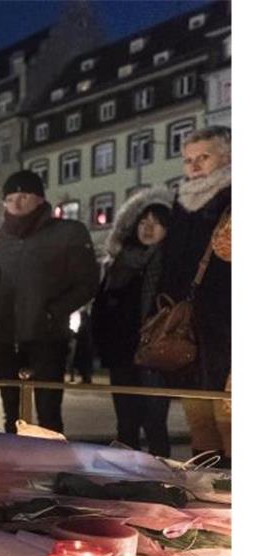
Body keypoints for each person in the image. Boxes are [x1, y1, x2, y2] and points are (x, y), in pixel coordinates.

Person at [0, 169, 98, 433]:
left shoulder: (67, 233)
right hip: (6, 337)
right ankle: (13, 468)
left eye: (24, 196)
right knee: (12, 414)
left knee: (49, 412)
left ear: (39, 199)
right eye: (10, 198)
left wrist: (53, 312)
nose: (16, 203)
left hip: (47, 336)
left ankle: (52, 468)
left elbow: (87, 282)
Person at [156, 126, 231, 466]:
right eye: (188, 160)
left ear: (227, 156)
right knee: (198, 418)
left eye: (204, 156)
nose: (195, 165)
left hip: (228, 324)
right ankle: (206, 490)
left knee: (228, 418)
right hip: (191, 326)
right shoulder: (181, 204)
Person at [91, 190, 174, 457]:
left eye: (156, 223)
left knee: (154, 421)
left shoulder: (171, 261)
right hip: (121, 352)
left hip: (154, 353)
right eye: (143, 222)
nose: (148, 228)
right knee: (125, 422)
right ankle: (126, 481)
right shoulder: (120, 261)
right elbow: (102, 305)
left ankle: (161, 478)